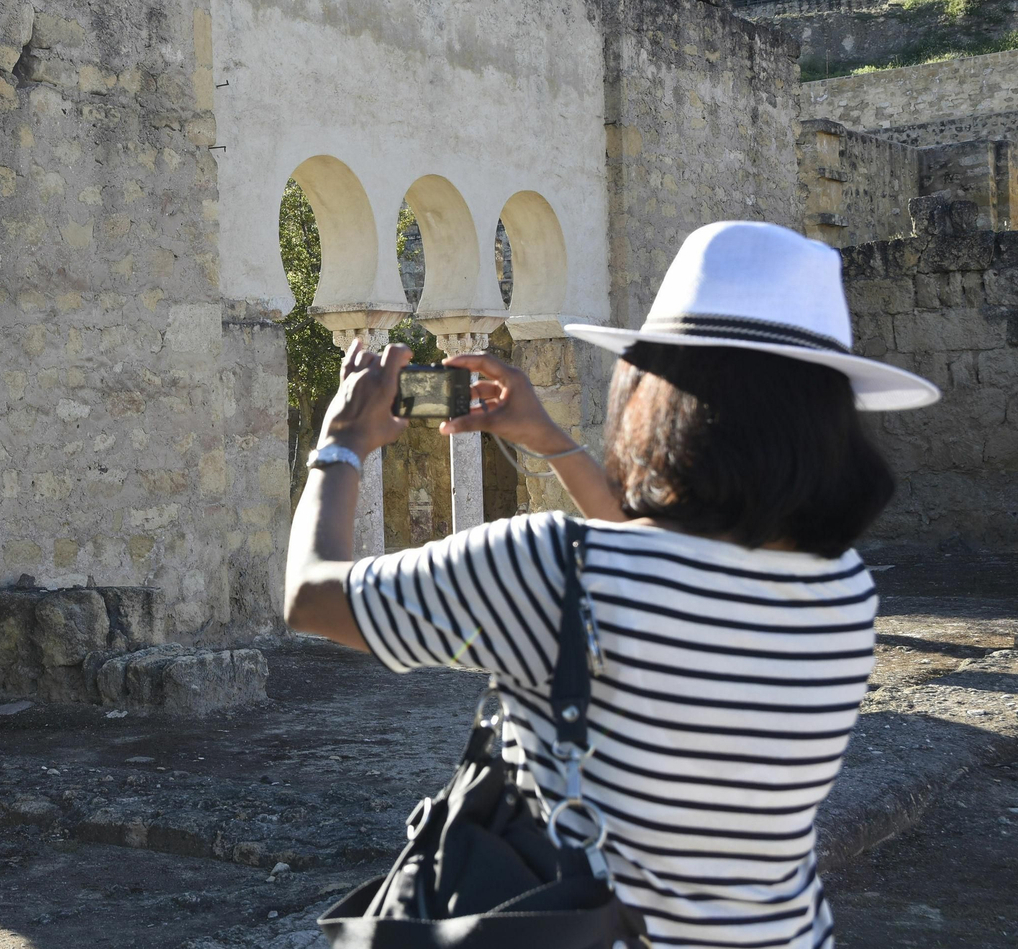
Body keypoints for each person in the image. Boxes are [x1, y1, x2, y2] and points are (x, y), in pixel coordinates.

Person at [283, 221, 939, 949]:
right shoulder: (845, 590)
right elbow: (649, 555)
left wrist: (340, 442)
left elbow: (311, 595)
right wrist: (551, 441)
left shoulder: (550, 568)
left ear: (653, 394)